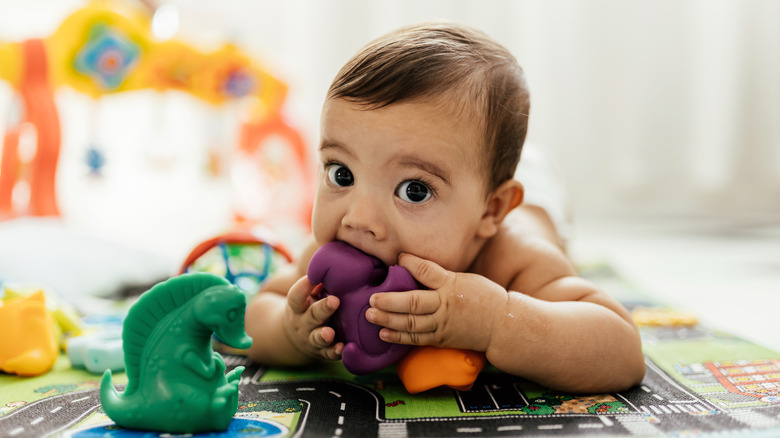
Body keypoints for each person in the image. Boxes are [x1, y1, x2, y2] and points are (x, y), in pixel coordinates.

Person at [244, 21, 645, 393]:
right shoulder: (333, 255)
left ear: (491, 212)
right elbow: (257, 312)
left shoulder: (514, 261)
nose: (359, 219)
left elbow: (621, 350)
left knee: (521, 184)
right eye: (341, 175)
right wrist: (290, 330)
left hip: (539, 196)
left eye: (414, 190)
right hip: (478, 180)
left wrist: (496, 322)